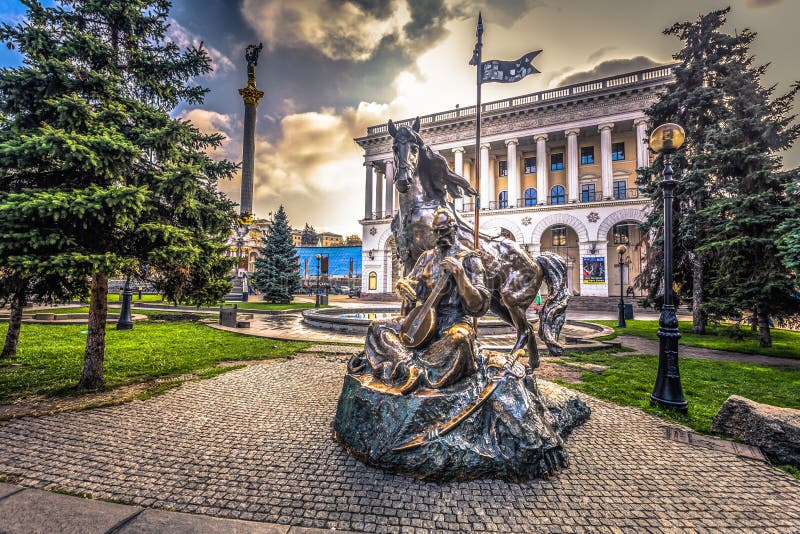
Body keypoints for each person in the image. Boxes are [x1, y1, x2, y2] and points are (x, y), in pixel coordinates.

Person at [348, 208, 490, 393]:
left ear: (454, 229)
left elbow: (478, 307)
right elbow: (412, 285)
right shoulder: (426, 257)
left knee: (460, 339)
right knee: (378, 327)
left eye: (444, 230)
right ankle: (409, 367)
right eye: (436, 231)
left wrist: (461, 276)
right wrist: (404, 287)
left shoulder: (470, 259)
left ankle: (411, 366)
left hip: (453, 322)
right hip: (423, 321)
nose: (439, 236)